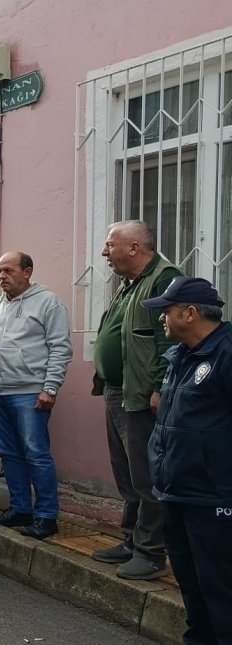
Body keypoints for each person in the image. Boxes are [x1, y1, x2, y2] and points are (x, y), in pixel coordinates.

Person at [140, 276, 232, 645]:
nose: (162, 317)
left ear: (190, 314)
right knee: (193, 583)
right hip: (178, 489)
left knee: (223, 587)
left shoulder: (227, 354)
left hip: (215, 494)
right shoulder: (182, 355)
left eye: (168, 309)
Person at [91, 220, 182, 580]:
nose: (103, 252)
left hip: (143, 396)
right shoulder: (130, 284)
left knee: (146, 476)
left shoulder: (164, 279)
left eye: (110, 244)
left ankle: (150, 552)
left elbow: (171, 339)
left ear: (133, 247)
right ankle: (131, 539)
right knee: (127, 474)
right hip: (119, 390)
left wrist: (162, 386)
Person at [0, 253, 72, 540]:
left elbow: (60, 347)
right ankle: (20, 508)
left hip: (30, 391)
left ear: (27, 271)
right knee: (8, 453)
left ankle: (46, 516)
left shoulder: (48, 302)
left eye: (8, 270)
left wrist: (50, 387)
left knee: (36, 453)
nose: (2, 276)